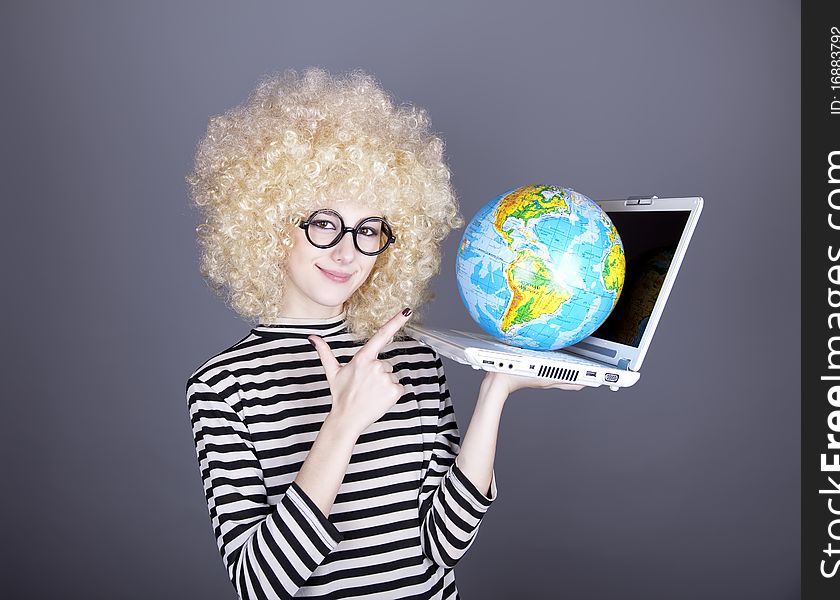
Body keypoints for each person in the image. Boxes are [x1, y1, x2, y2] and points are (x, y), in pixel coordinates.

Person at [186, 68, 584, 599]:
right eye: (324, 223)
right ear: (272, 223)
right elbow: (262, 585)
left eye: (369, 229)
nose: (347, 251)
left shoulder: (413, 359)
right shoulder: (223, 387)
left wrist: (495, 391)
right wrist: (343, 421)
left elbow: (443, 545)